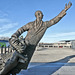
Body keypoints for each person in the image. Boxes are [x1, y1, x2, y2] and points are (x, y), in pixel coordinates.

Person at [0, 2, 72, 75]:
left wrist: (64, 11)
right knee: (14, 60)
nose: (42, 15)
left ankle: (11, 73)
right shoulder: (30, 24)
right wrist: (14, 36)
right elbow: (20, 30)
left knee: (21, 65)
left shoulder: (45, 25)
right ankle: (5, 72)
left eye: (41, 14)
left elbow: (54, 21)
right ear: (37, 15)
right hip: (23, 45)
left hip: (31, 48)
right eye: (40, 13)